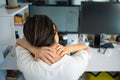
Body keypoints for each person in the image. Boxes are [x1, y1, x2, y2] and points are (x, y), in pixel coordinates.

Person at [16, 15, 89, 80]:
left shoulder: (26, 65)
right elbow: (86, 48)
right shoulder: (74, 66)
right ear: (54, 28)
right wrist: (68, 49)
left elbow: (18, 42)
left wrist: (35, 50)